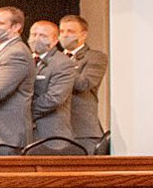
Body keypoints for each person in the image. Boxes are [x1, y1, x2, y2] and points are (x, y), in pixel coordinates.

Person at [0, 6, 34, 154]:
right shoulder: (3, 51)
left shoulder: (17, 53)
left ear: (16, 27)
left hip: (6, 136)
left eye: (0, 23)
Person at [60, 14, 108, 151]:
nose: (65, 35)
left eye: (70, 31)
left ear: (83, 35)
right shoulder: (55, 59)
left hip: (82, 130)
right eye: (62, 31)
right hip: (57, 130)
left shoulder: (95, 57)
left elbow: (84, 84)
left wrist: (61, 65)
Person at [29, 20, 77, 145]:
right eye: (34, 35)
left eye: (43, 36)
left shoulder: (62, 63)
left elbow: (55, 98)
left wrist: (24, 111)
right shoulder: (27, 59)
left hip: (51, 135)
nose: (37, 39)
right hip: (27, 134)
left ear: (55, 40)